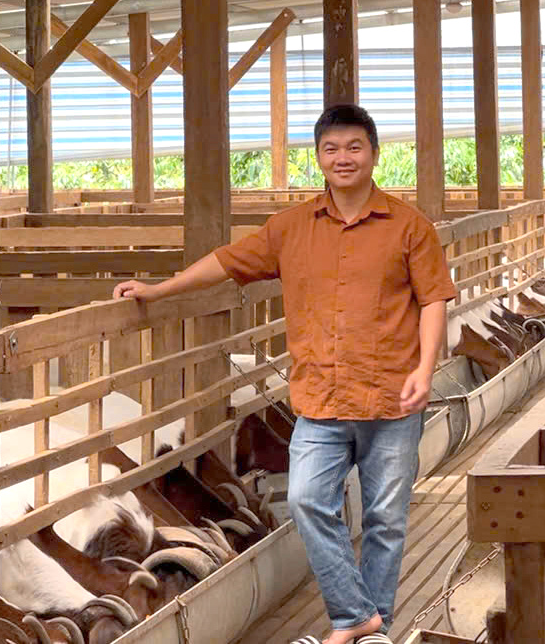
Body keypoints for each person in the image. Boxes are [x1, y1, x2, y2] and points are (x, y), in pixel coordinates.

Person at [112, 104, 456, 644]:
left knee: (386, 519)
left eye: (354, 147)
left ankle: (373, 632)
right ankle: (356, 615)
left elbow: (434, 299)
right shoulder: (291, 228)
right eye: (331, 148)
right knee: (306, 500)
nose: (343, 157)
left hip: (392, 397)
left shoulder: (410, 227)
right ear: (318, 157)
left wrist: (426, 367)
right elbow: (226, 262)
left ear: (374, 154)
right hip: (320, 399)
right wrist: (159, 290)